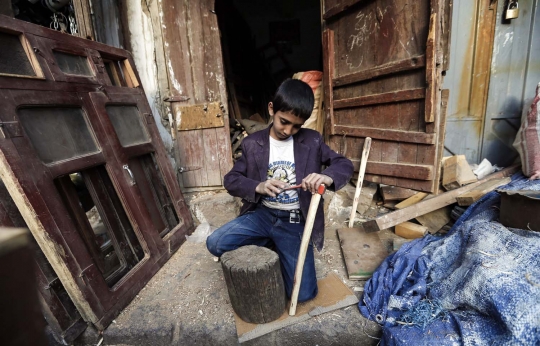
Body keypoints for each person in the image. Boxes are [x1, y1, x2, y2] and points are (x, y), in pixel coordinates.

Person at [206, 79, 353, 302]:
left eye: (296, 126)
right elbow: (231, 180)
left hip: (294, 220)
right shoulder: (252, 143)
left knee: (303, 294)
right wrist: (258, 186)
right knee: (215, 243)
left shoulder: (312, 140)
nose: (288, 130)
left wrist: (326, 176)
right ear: (271, 109)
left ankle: (280, 245)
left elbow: (344, 164)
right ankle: (273, 243)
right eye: (284, 122)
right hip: (262, 215)